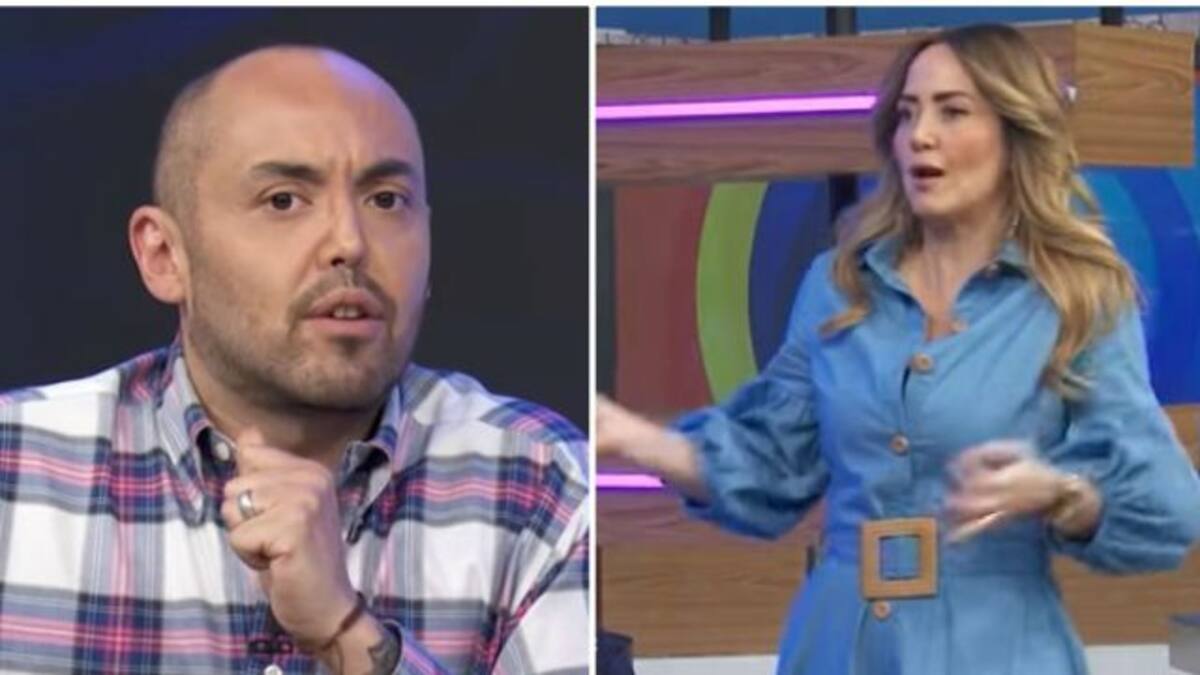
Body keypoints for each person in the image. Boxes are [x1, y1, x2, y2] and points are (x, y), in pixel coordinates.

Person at [597, 23, 1200, 674]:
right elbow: (770, 464)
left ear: (1014, 132)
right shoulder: (839, 285)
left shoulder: (1077, 295)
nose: (920, 135)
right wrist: (638, 438)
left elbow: (1166, 509)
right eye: (908, 114)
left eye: (952, 112)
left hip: (997, 646)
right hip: (839, 644)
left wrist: (1061, 494)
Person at [0, 46, 588, 675]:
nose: (350, 243)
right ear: (165, 256)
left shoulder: (541, 486)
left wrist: (343, 629)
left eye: (386, 200)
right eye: (283, 200)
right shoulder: (17, 472)